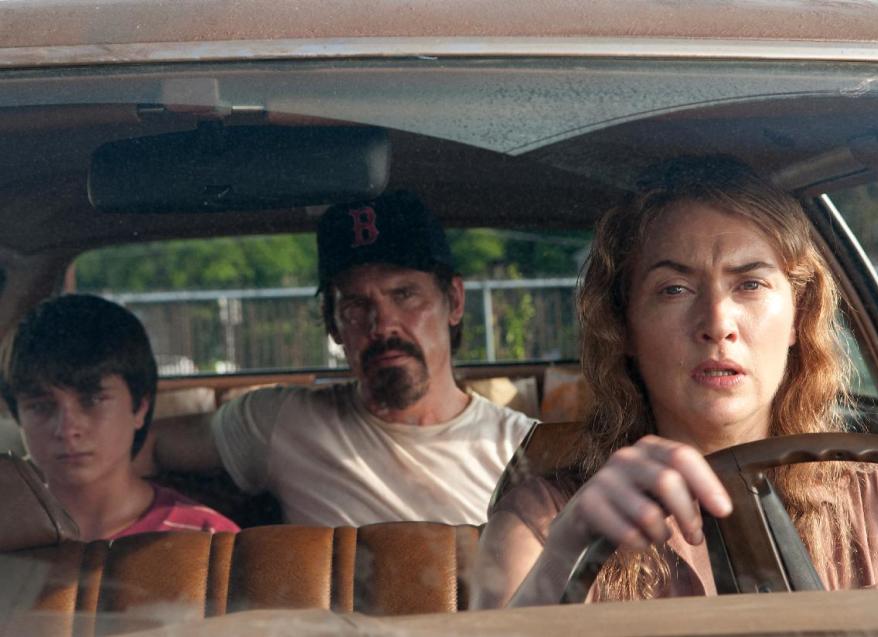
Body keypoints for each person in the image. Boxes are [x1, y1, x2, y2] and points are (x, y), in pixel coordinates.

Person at [470, 156, 878, 608]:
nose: (717, 322)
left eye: (750, 284)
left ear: (798, 316)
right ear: (624, 328)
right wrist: (568, 550)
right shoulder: (541, 525)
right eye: (674, 289)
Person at [145, 191, 536, 527]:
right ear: (333, 326)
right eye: (356, 305)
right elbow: (138, 445)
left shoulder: (522, 448)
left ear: (454, 301)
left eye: (404, 295)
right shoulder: (282, 421)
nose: (382, 324)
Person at [0, 294, 239, 541]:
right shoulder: (9, 533)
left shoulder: (210, 541)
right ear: (17, 415)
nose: (67, 428)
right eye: (41, 406)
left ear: (140, 408)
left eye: (92, 400)